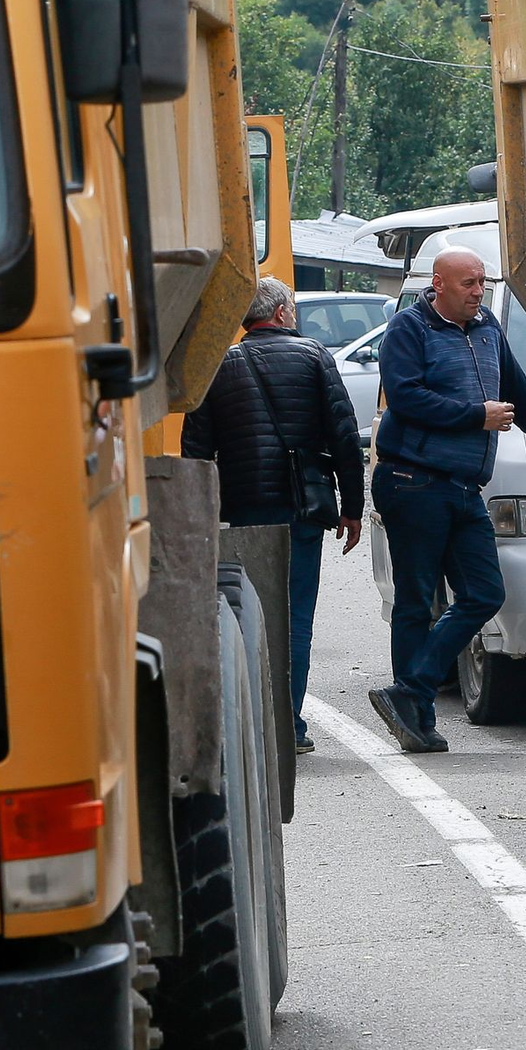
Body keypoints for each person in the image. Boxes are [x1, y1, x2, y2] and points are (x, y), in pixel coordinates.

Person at [182, 276, 364, 754]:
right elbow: (344, 436)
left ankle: (254, 723)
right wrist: (352, 508)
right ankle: (290, 727)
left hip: (244, 511)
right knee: (295, 618)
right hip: (303, 508)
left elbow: (195, 449)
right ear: (282, 313)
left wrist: (203, 512)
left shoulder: (217, 365)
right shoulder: (314, 356)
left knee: (249, 615)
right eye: (294, 307)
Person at [368, 247, 526, 753]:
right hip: (413, 481)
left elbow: (519, 395)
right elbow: (405, 397)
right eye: (468, 283)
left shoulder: (488, 328)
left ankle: (410, 689)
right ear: (438, 284)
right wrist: (475, 415)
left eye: (482, 282)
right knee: (416, 599)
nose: (477, 292)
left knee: (485, 593)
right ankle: (417, 721)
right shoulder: (409, 329)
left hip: (466, 487)